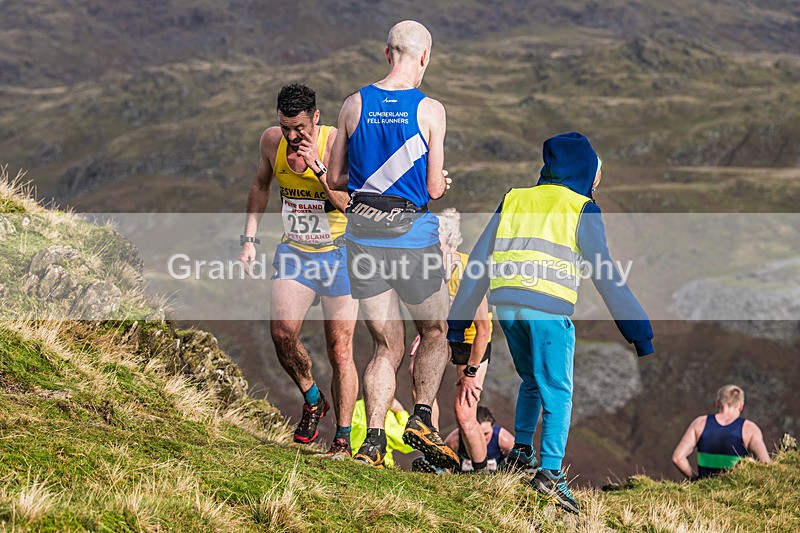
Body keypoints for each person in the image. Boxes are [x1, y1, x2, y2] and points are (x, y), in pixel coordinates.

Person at [447, 132, 655, 514]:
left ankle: (522, 450)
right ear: (586, 169)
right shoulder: (581, 209)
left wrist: (458, 323)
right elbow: (607, 276)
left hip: (506, 305)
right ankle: (551, 474)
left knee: (531, 380)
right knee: (558, 391)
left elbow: (478, 262)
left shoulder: (514, 197)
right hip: (547, 309)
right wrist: (639, 332)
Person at [327, 20, 457, 469]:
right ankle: (421, 417)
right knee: (435, 331)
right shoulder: (430, 110)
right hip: (412, 238)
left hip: (362, 238)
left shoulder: (352, 105)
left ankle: (373, 443)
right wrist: (436, 180)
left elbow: (336, 179)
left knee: (386, 346)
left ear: (387, 54)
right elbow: (435, 188)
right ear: (424, 57)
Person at [240, 83, 359, 456]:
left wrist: (320, 171)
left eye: (300, 129)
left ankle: (342, 436)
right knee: (281, 334)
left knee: (340, 351)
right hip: (295, 252)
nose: (292, 137)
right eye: (286, 127)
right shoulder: (271, 141)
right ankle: (312, 398)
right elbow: (260, 185)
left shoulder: (337, 143)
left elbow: (349, 205)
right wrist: (249, 239)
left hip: (339, 254)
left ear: (316, 119)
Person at [411, 208, 495, 474]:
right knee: (417, 374)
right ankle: (433, 448)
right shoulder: (428, 270)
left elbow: (484, 330)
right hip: (446, 336)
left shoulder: (471, 270)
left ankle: (483, 474)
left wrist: (471, 372)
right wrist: (423, 337)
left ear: (448, 243)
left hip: (472, 342)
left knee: (464, 414)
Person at [672, 384, 771, 480]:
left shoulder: (700, 423)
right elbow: (767, 465)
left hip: (705, 492)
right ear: (741, 406)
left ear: (718, 403)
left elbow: (677, 458)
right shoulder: (749, 429)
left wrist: (696, 480)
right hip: (736, 493)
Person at [446, 406, 514, 472]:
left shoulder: (504, 439)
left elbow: (520, 458)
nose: (482, 439)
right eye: (476, 435)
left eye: (486, 433)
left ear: (493, 427)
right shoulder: (455, 439)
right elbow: (443, 466)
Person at [351, 398, 414, 468]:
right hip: (381, 464)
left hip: (354, 458)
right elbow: (407, 442)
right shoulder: (385, 413)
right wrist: (401, 412)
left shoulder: (354, 407)